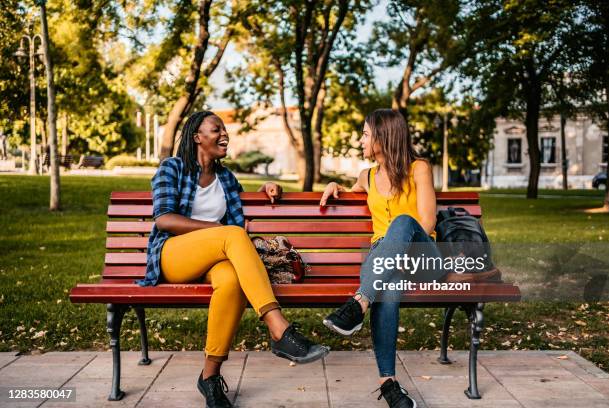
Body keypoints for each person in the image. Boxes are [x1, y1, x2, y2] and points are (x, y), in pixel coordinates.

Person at [143, 110, 329, 408]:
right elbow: (164, 218)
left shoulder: (226, 178)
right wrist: (218, 230)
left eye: (224, 130)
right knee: (231, 235)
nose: (224, 135)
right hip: (173, 256)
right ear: (197, 137)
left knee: (231, 281)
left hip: (212, 260)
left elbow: (236, 216)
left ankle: (210, 377)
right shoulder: (172, 168)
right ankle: (278, 328)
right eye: (216, 130)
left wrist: (264, 189)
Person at [319, 109, 448, 408]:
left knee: (403, 222)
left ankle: (358, 303)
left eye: (365, 133)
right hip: (384, 262)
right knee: (387, 287)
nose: (360, 139)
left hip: (421, 256)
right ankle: (388, 383)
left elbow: (427, 223)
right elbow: (349, 192)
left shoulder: (419, 169)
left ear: (383, 136)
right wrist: (334, 186)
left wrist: (397, 250)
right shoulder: (366, 176)